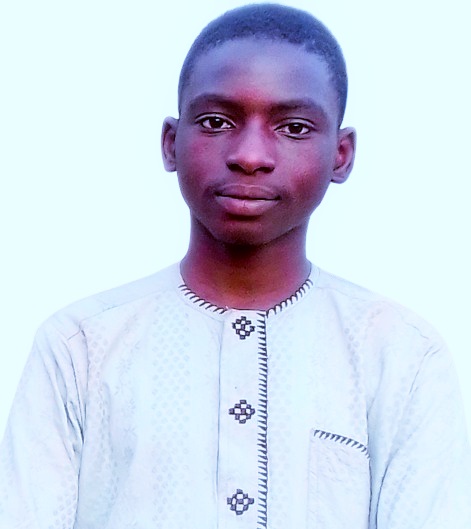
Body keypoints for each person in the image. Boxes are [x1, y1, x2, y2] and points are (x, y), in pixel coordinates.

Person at [0, 3, 469, 528]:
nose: (250, 155)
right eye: (216, 122)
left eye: (293, 127)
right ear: (171, 144)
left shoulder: (401, 356)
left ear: (340, 155)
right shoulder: (80, 349)